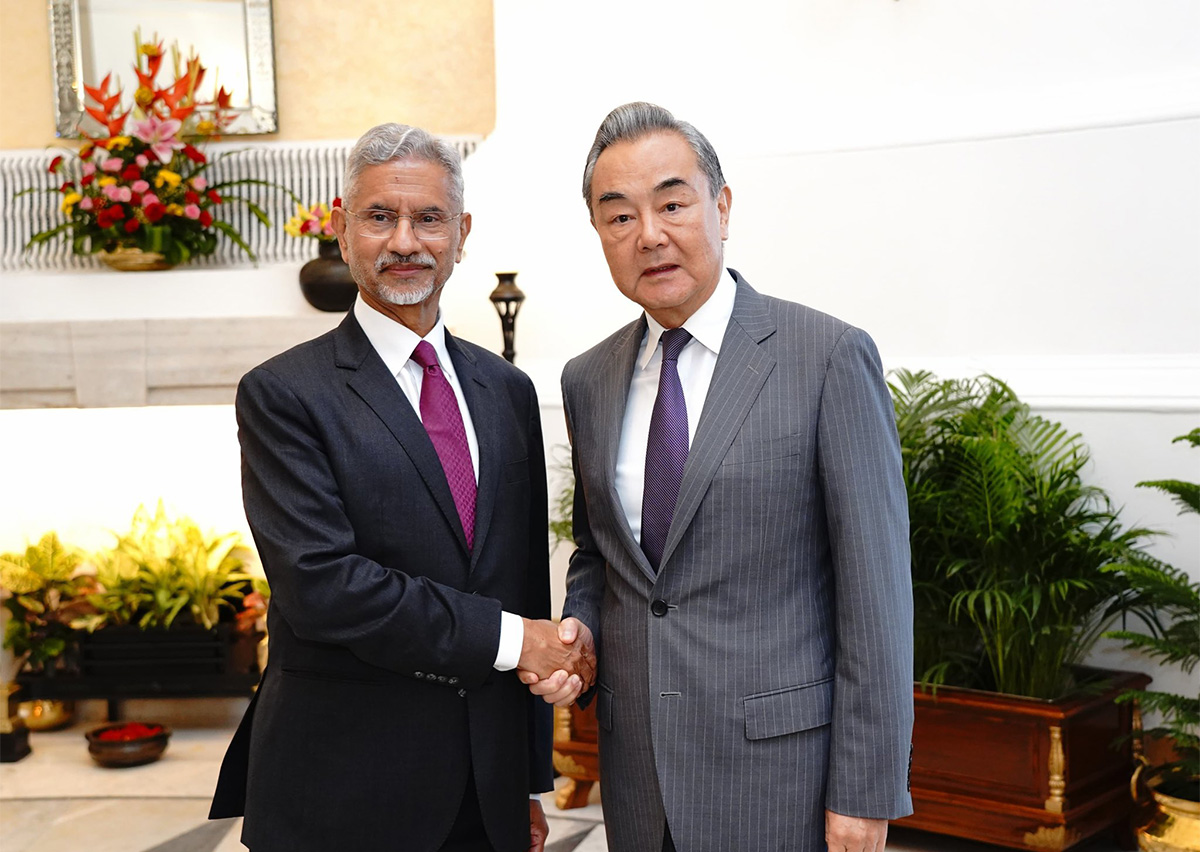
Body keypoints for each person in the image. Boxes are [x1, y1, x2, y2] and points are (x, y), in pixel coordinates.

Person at [522, 103, 914, 852]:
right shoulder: (588, 379)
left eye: (673, 203)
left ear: (721, 207)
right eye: (619, 217)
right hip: (640, 780)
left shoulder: (826, 358)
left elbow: (878, 597)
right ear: (601, 236)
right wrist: (584, 633)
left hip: (782, 781)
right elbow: (599, 555)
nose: (651, 234)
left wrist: (865, 793)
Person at [209, 122, 595, 852]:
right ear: (341, 227)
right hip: (342, 792)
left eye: (429, 218)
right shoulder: (284, 394)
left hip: (484, 794)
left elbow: (514, 580)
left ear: (462, 232)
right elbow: (324, 588)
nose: (406, 242)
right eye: (380, 217)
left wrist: (524, 778)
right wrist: (518, 642)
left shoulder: (507, 389)